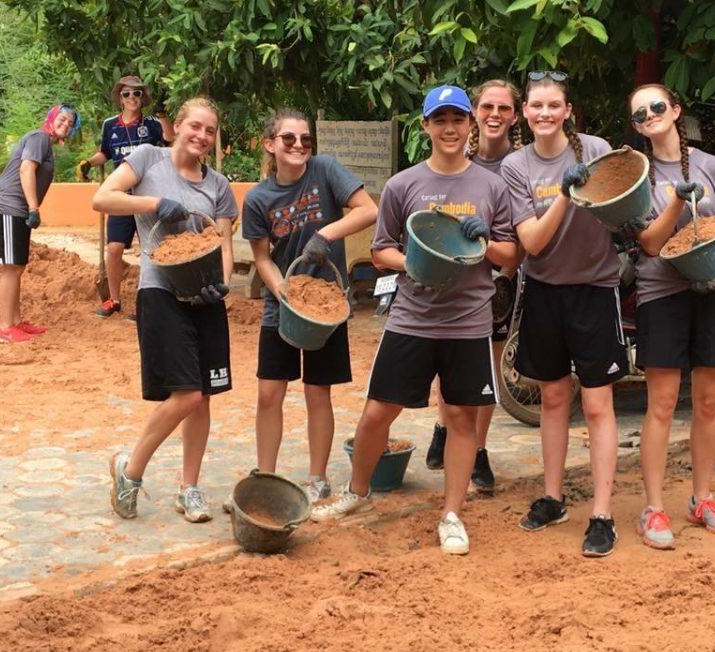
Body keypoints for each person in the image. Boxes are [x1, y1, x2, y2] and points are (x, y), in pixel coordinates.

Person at [311, 85, 520, 556]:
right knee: (377, 413)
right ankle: (357, 492)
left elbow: (513, 253)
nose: (449, 128)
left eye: (457, 120)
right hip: (412, 319)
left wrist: (484, 242)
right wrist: (416, 263)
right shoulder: (404, 185)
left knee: (462, 416)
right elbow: (381, 250)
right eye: (439, 120)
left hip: (468, 321)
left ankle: (451, 514)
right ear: (425, 126)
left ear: (470, 126)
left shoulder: (492, 187)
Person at [93, 97, 239, 523]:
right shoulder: (148, 158)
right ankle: (130, 470)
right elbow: (104, 198)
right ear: (178, 126)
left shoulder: (218, 185)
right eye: (195, 126)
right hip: (161, 291)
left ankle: (189, 488)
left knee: (205, 396)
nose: (202, 136)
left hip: (205, 296)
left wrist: (223, 284)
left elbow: (222, 240)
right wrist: (154, 204)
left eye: (210, 131)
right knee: (187, 394)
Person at [500, 72, 626, 558]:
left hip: (595, 289)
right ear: (525, 113)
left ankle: (601, 514)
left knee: (597, 405)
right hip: (545, 290)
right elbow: (531, 241)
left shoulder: (594, 150)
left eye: (554, 105)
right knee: (553, 398)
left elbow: (621, 207)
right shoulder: (516, 166)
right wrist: (566, 197)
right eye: (537, 106)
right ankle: (553, 497)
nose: (545, 113)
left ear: (568, 110)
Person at [626, 83, 715, 550]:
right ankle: (653, 508)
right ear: (637, 127)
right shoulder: (636, 176)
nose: (651, 116)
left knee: (709, 401)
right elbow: (651, 244)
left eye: (658, 106)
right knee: (661, 404)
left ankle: (703, 498)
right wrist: (677, 199)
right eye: (640, 114)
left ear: (675, 110)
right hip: (662, 293)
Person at [240, 109, 377, 502]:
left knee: (319, 392)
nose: (299, 145)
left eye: (305, 139)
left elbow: (368, 209)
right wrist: (283, 291)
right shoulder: (258, 198)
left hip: (328, 305)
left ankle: (317, 478)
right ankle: (265, 477)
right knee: (270, 393)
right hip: (281, 306)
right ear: (271, 145)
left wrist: (326, 233)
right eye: (288, 139)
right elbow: (262, 257)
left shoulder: (326, 170)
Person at [425, 79, 523, 496]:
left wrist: (503, 270)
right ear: (474, 115)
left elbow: (520, 234)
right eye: (487, 107)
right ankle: (444, 427)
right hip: (451, 281)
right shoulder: (450, 155)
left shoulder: (521, 167)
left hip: (502, 277)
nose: (494, 115)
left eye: (503, 108)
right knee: (447, 360)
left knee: (487, 364)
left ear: (514, 115)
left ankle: (478, 449)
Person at [0, 104, 81, 343]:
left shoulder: (45, 143)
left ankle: (15, 322)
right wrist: (33, 207)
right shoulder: (39, 137)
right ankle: (5, 327)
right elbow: (26, 169)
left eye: (70, 123)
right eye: (62, 119)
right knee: (11, 267)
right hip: (7, 206)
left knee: (17, 267)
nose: (65, 125)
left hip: (16, 209)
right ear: (50, 118)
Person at [78, 75, 173, 319]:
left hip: (148, 194)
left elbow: (170, 143)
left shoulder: (152, 123)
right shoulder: (110, 125)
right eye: (126, 94)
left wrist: (163, 116)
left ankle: (148, 302)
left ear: (143, 97)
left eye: (137, 93)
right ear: (119, 97)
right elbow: (105, 154)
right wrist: (89, 163)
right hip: (120, 196)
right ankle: (114, 300)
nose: (132, 98)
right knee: (114, 248)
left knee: (150, 248)